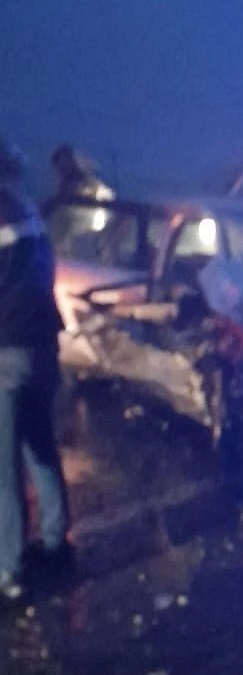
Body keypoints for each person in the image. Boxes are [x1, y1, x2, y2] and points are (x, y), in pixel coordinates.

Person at [0, 137, 70, 606]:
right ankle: (55, 539)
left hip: (6, 352)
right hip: (43, 348)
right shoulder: (29, 212)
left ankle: (7, 569)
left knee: (3, 469)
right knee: (39, 448)